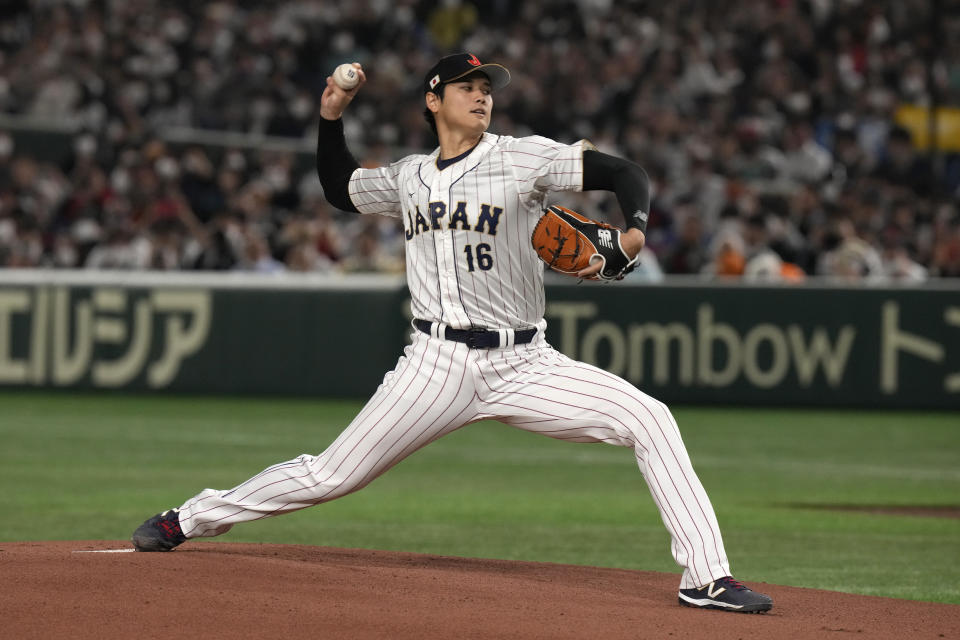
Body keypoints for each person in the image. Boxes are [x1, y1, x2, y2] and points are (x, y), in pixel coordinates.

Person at [131, 53, 773, 613]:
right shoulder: (409, 176)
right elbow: (339, 188)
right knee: (331, 475)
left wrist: (631, 228)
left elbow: (625, 172)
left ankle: (707, 578)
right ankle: (188, 518)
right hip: (433, 364)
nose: (483, 94)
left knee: (651, 418)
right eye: (467, 86)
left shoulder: (524, 158)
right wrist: (331, 116)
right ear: (434, 100)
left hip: (525, 362)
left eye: (487, 86)